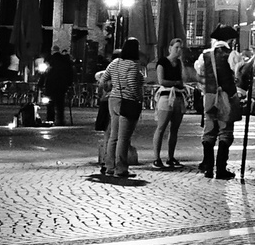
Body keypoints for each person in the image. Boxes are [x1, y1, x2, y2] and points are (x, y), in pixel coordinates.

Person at [195, 38, 241, 179]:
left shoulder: (205, 55)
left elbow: (199, 73)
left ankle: (208, 167)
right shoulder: (232, 54)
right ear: (229, 41)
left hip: (209, 95)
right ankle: (221, 169)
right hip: (226, 96)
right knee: (225, 131)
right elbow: (239, 72)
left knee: (209, 131)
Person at [102, 38, 146, 180]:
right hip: (127, 101)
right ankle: (121, 168)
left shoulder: (115, 63)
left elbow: (103, 79)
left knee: (113, 136)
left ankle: (109, 166)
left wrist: (109, 88)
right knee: (124, 137)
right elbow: (133, 84)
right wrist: (139, 98)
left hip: (113, 99)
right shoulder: (133, 65)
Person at [151, 38, 188, 169]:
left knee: (174, 129)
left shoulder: (178, 63)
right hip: (166, 97)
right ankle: (156, 158)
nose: (179, 50)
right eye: (176, 47)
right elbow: (161, 80)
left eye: (180, 48)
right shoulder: (162, 62)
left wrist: (181, 63)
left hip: (178, 97)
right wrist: (175, 83)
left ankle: (170, 157)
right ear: (170, 48)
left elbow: (184, 79)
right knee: (161, 127)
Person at [41, 42, 75, 126]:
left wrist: (40, 84)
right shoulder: (65, 60)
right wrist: (69, 84)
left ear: (52, 51)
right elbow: (70, 73)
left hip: (51, 84)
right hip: (62, 85)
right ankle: (60, 120)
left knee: (50, 102)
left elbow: (44, 73)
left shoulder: (49, 59)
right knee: (60, 103)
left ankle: (50, 119)